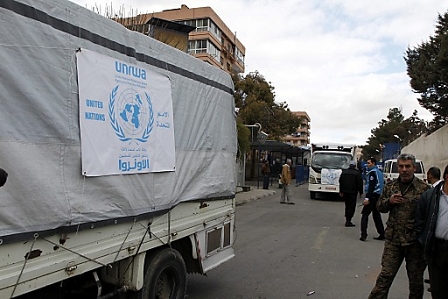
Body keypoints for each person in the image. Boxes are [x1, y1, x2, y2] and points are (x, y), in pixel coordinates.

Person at [368, 153, 430, 299]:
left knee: (415, 282)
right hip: (393, 241)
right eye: (401, 166)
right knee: (385, 277)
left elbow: (429, 215)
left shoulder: (425, 190)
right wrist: (389, 202)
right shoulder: (391, 187)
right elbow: (379, 207)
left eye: (407, 166)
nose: (404, 170)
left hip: (414, 243)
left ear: (414, 168)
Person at [415, 165, 448, 299]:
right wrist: (423, 241)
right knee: (438, 290)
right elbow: (420, 221)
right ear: (447, 177)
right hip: (437, 249)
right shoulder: (430, 196)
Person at [360, 157, 385, 241]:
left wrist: (367, 198)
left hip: (372, 196)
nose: (367, 165)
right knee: (376, 215)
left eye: (369, 163)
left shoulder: (372, 173)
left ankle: (363, 235)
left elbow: (371, 186)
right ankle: (382, 233)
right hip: (378, 196)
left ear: (373, 163)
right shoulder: (379, 172)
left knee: (365, 215)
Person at [339, 160, 363, 227]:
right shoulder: (357, 173)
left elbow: (341, 182)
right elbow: (360, 183)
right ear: (355, 166)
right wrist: (361, 192)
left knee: (347, 205)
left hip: (346, 192)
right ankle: (349, 220)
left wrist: (341, 191)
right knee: (352, 206)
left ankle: (347, 218)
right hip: (353, 192)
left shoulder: (344, 172)